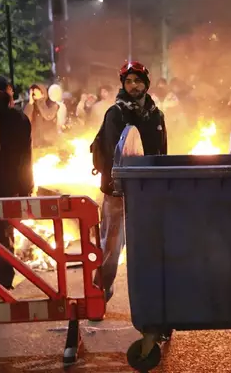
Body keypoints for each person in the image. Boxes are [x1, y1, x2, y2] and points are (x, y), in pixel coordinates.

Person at [91, 61, 167, 307]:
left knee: (148, 248)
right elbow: (111, 153)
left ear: (146, 83)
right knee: (111, 249)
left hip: (148, 192)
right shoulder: (116, 113)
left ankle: (151, 305)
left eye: (138, 81)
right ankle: (98, 296)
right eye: (129, 81)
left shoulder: (156, 114)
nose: (134, 86)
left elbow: (162, 153)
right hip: (118, 193)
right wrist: (117, 185)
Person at [0, 77, 34, 294]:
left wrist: (25, 188)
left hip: (6, 190)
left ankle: (3, 285)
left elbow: (25, 158)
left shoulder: (18, 120)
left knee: (4, 238)